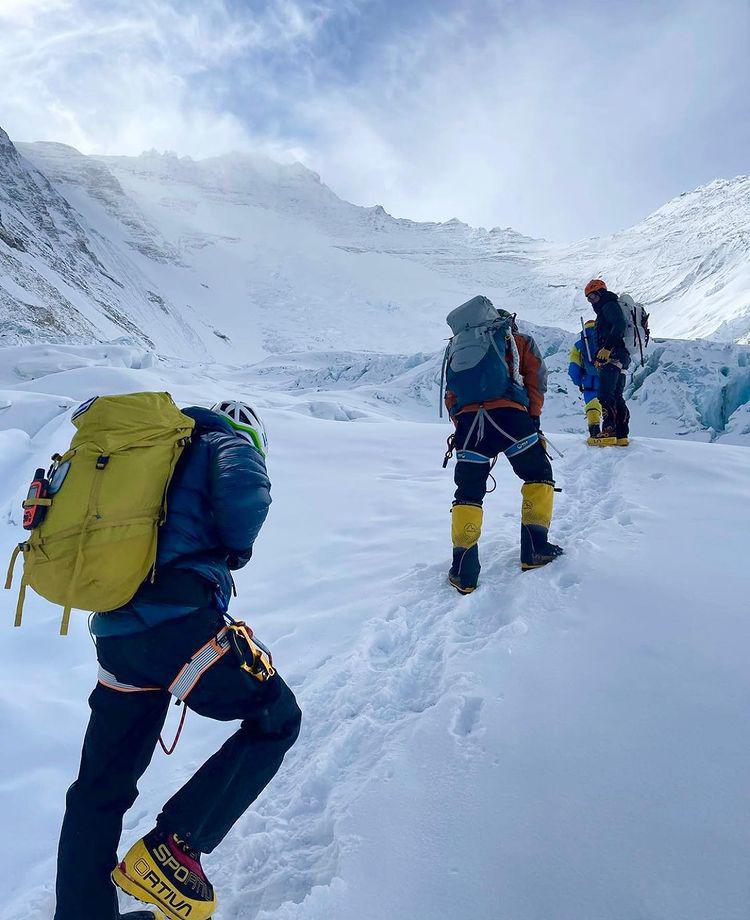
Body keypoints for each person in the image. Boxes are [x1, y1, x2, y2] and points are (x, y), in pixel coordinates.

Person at [54, 399, 302, 920]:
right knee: (276, 716)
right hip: (178, 626)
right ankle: (174, 846)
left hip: (117, 636)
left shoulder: (153, 452)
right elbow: (247, 498)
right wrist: (233, 552)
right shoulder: (225, 439)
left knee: (100, 788)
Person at [443, 299, 563, 594]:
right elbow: (536, 381)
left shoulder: (458, 349)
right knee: (538, 475)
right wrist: (531, 419)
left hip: (471, 426)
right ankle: (535, 550)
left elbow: (451, 396)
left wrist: (464, 428)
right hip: (511, 418)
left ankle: (463, 571)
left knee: (468, 492)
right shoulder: (517, 340)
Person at [584, 279, 631, 446]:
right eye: (589, 299)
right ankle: (621, 434)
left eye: (594, 297)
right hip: (621, 356)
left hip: (613, 355)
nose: (592, 302)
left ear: (601, 293)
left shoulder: (608, 305)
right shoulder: (608, 306)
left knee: (605, 394)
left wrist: (607, 349)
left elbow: (619, 324)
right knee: (616, 395)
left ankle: (609, 431)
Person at [568, 319, 604, 444]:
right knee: (609, 404)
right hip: (606, 379)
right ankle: (612, 431)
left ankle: (594, 433)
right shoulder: (604, 339)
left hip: (588, 382)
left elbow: (573, 368)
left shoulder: (579, 345)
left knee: (592, 406)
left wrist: (579, 382)